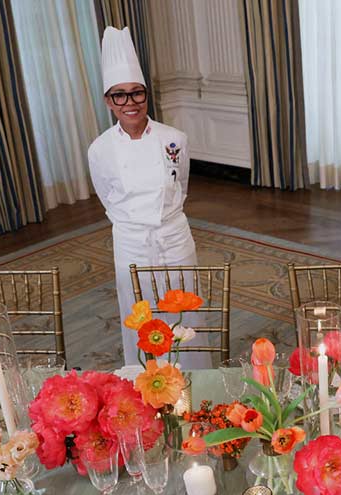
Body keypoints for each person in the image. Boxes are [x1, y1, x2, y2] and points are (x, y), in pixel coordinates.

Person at [88, 27, 209, 369]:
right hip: (131, 243)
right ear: (109, 102)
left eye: (137, 93)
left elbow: (180, 186)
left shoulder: (175, 139)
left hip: (174, 235)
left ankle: (196, 377)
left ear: (146, 95)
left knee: (185, 308)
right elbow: (107, 198)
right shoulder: (99, 149)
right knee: (139, 313)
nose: (131, 103)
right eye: (120, 96)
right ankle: (147, 379)